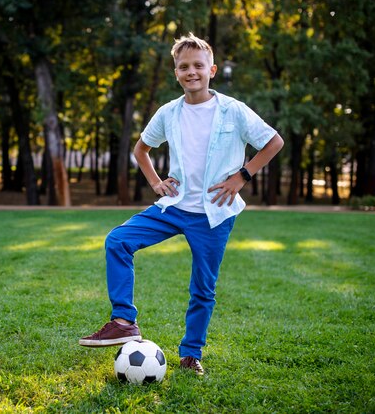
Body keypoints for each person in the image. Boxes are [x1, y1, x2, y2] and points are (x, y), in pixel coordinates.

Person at [79, 33, 284, 376]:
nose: (192, 72)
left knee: (203, 287)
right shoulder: (169, 113)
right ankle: (123, 320)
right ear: (176, 73)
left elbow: (274, 141)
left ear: (212, 70)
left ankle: (191, 354)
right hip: (173, 207)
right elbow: (141, 149)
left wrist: (241, 177)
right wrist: (156, 182)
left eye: (198, 66)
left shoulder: (232, 110)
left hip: (213, 214)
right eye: (184, 67)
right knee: (118, 240)